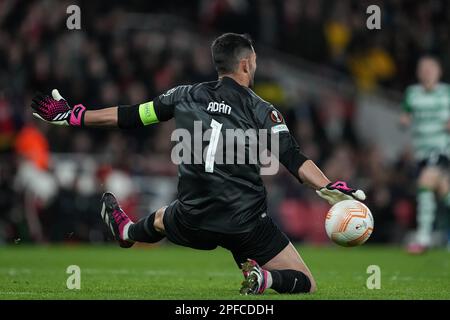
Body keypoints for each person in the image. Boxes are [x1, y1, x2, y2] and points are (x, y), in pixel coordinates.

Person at [30, 33, 365, 295]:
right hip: (245, 223)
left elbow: (130, 116)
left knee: (163, 217)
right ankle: (265, 280)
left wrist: (74, 116)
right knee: (307, 282)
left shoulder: (182, 95)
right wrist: (326, 186)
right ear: (246, 64)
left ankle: (127, 230)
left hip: (193, 216)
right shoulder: (263, 110)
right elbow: (293, 158)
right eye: (255, 62)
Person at [400, 56, 450, 254]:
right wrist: (403, 121)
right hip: (421, 153)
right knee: (443, 190)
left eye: (431, 68)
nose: (427, 72)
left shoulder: (447, 93)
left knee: (425, 183)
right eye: (423, 69)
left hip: (441, 149)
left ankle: (423, 238)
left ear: (439, 72)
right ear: (418, 73)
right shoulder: (412, 94)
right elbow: (405, 115)